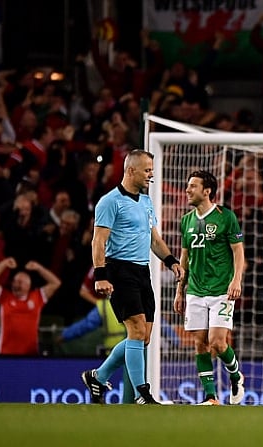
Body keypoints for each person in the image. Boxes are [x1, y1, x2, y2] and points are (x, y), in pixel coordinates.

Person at [81, 149, 184, 405]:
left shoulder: (146, 202)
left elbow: (154, 239)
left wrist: (171, 262)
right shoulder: (109, 201)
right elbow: (99, 241)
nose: (151, 174)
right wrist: (100, 275)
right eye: (147, 169)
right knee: (136, 329)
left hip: (142, 271)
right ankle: (142, 393)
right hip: (119, 270)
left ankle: (99, 376)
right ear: (131, 170)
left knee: (143, 337)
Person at [173, 170, 247, 406]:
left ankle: (236, 376)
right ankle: (211, 397)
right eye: (188, 185)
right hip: (195, 290)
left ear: (207, 191)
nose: (188, 190)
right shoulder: (186, 220)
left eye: (193, 186)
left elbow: (238, 251)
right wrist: (179, 291)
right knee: (200, 343)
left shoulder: (225, 217)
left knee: (217, 341)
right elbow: (184, 259)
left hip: (222, 290)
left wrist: (237, 280)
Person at [0, 257, 61, 355]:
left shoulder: (38, 297)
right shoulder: (4, 296)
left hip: (30, 354)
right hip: (5, 354)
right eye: (14, 281)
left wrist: (39, 268)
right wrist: (4, 264)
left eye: (19, 282)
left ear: (28, 285)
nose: (15, 285)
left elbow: (56, 283)